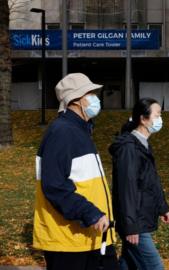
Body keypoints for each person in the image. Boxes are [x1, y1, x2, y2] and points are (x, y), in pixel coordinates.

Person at [33, 73, 118, 269]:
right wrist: (91, 213)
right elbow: (54, 185)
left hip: (89, 238)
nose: (96, 98)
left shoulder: (80, 130)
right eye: (90, 93)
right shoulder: (63, 132)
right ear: (77, 100)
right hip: (69, 243)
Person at [109, 98, 169, 270]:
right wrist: (130, 227)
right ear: (143, 119)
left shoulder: (142, 145)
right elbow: (126, 189)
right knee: (155, 266)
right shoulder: (129, 148)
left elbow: (151, 181)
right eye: (157, 115)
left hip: (140, 217)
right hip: (135, 222)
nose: (160, 119)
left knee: (128, 264)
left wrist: (162, 207)